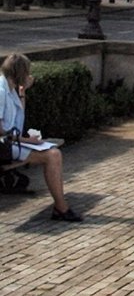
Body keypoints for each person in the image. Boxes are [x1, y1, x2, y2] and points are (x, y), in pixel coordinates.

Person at [0, 53, 82, 222]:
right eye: (27, 71)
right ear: (20, 72)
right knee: (52, 155)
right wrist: (28, 141)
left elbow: (18, 121)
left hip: (10, 143)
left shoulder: (10, 89)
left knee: (53, 152)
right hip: (3, 146)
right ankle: (61, 208)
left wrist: (22, 91)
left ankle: (61, 207)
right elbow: (2, 131)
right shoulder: (1, 92)